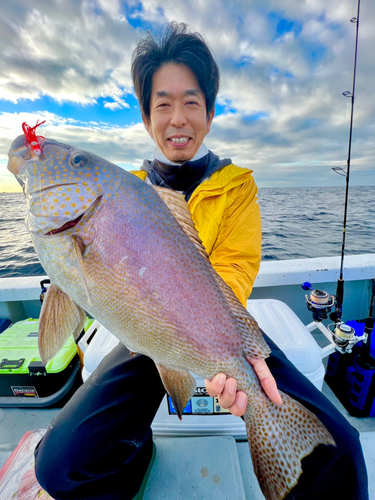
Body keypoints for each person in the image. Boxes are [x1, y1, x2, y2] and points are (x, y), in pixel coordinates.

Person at [35, 22, 368, 500]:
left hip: (214, 330)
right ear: (147, 119)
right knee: (59, 466)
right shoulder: (124, 191)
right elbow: (93, 284)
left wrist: (224, 360)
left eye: (191, 102)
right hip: (140, 333)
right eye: (162, 104)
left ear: (210, 114)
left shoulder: (238, 187)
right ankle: (136, 454)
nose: (177, 118)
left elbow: (235, 273)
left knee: (342, 453)